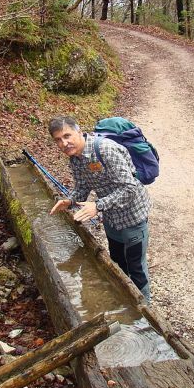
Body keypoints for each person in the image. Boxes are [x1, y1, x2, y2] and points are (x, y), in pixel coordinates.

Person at [48, 116, 152, 301]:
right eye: (58, 140)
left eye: (67, 135)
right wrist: (70, 201)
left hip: (133, 217)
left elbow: (130, 188)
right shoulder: (75, 159)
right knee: (118, 262)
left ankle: (145, 313)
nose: (64, 143)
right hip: (111, 218)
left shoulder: (105, 149)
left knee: (136, 268)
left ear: (79, 132)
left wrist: (98, 206)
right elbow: (82, 187)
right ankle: (124, 302)